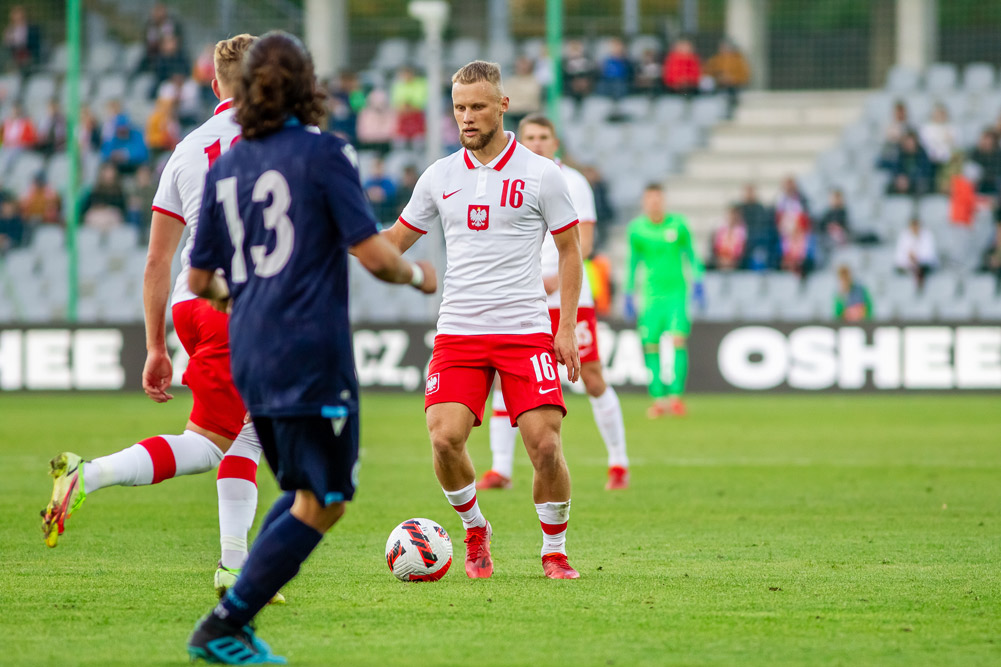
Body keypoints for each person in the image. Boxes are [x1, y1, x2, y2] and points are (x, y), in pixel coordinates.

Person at [185, 32, 436, 663]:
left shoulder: (225, 164)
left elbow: (198, 280)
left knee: (303, 491)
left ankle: (233, 617)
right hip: (309, 350)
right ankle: (224, 624)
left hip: (249, 350)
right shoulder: (324, 153)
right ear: (307, 85)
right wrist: (421, 276)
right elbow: (375, 256)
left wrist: (246, 291)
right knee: (326, 497)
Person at [40, 36, 284, 605]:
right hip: (239, 307)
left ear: (215, 83)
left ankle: (234, 570)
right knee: (211, 445)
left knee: (243, 436)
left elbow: (156, 259)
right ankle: (88, 474)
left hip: (190, 305)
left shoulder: (187, 149)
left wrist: (155, 346)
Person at [383, 60, 584, 581]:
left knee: (544, 444)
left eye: (476, 106)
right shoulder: (439, 176)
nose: (467, 117)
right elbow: (395, 243)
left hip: (525, 330)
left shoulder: (542, 174)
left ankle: (554, 549)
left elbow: (569, 251)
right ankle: (474, 528)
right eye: (459, 108)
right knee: (444, 438)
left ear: (502, 106)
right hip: (459, 331)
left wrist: (564, 327)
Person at [478, 113, 629, 493]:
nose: (537, 142)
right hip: (521, 299)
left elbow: (585, 245)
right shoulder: (507, 177)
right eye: (530, 136)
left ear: (555, 141)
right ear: (519, 139)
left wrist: (552, 281)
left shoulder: (573, 181)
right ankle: (500, 469)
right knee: (503, 379)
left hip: (568, 298)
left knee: (591, 377)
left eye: (544, 136)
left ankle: (618, 463)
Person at [624, 184, 704, 418]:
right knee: (651, 344)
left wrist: (698, 280)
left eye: (658, 199)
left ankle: (676, 397)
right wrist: (629, 291)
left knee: (678, 340)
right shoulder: (636, 229)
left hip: (676, 293)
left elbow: (691, 253)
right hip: (650, 295)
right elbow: (632, 262)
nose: (654, 203)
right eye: (650, 199)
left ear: (664, 201)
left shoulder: (678, 225)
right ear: (644, 202)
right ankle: (658, 397)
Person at [894, 217, 938, 289]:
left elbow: (930, 256)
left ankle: (919, 284)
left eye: (917, 226)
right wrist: (911, 259)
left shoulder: (927, 235)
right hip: (909, 266)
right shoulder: (904, 235)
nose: (915, 228)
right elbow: (899, 258)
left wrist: (917, 258)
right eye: (913, 226)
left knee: (921, 269)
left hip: (925, 266)